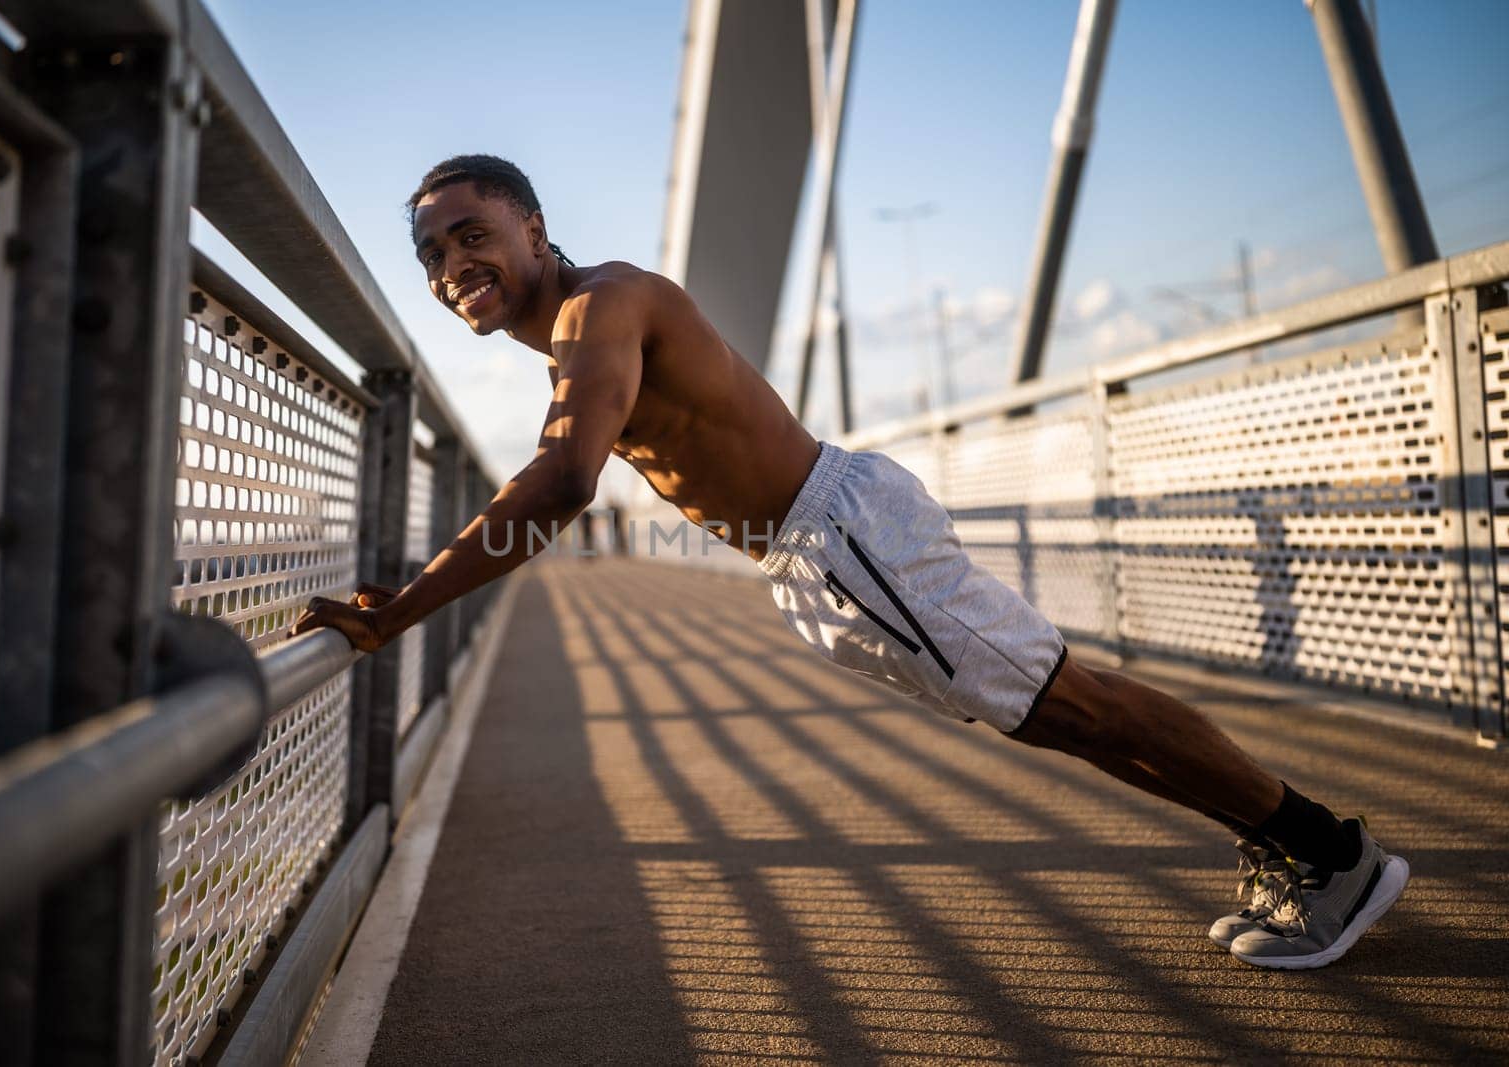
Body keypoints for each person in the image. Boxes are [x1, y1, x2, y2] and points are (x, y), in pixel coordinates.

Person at [291, 155, 1407, 969]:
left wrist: (408, 607)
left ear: (533, 226)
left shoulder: (599, 306)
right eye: (432, 254)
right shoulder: (585, 324)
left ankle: (1327, 848)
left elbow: (562, 481)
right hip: (821, 552)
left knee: (1075, 702)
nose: (453, 264)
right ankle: (1293, 844)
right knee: (1061, 712)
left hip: (840, 535)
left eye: (471, 233)